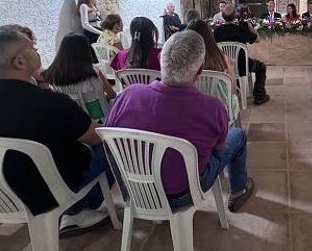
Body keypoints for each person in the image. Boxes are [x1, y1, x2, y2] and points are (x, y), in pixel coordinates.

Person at [0, 26, 114, 234]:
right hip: (50, 193)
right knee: (112, 146)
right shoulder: (51, 103)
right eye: (32, 47)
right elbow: (97, 137)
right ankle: (77, 211)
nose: (37, 51)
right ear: (19, 61)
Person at [105, 30, 255, 212]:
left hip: (135, 191)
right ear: (200, 70)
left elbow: (107, 138)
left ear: (161, 59)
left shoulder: (128, 95)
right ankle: (238, 191)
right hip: (184, 195)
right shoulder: (213, 107)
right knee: (238, 135)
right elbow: (219, 148)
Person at [42, 33, 116, 121]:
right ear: (85, 51)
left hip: (72, 121)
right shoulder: (93, 73)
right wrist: (103, 98)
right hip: (100, 120)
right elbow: (112, 94)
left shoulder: (53, 75)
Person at [214, 4, 270, 105]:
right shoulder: (241, 29)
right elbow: (257, 39)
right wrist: (249, 26)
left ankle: (234, 91)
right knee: (261, 66)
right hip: (242, 67)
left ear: (223, 16)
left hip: (224, 67)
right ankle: (259, 96)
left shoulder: (217, 31)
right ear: (235, 16)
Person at [187, 19, 241, 121]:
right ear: (209, 35)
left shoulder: (184, 60)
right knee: (235, 95)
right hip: (220, 108)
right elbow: (233, 90)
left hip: (193, 109)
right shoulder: (222, 58)